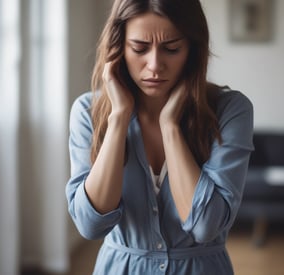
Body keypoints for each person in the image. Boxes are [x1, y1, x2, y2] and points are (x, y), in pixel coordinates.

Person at [66, 0, 254, 274]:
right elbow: (90, 225)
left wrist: (170, 127)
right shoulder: (87, 112)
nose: (155, 65)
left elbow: (205, 226)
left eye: (172, 48)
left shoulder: (231, 110)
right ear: (119, 48)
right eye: (139, 48)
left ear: (192, 49)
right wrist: (118, 117)